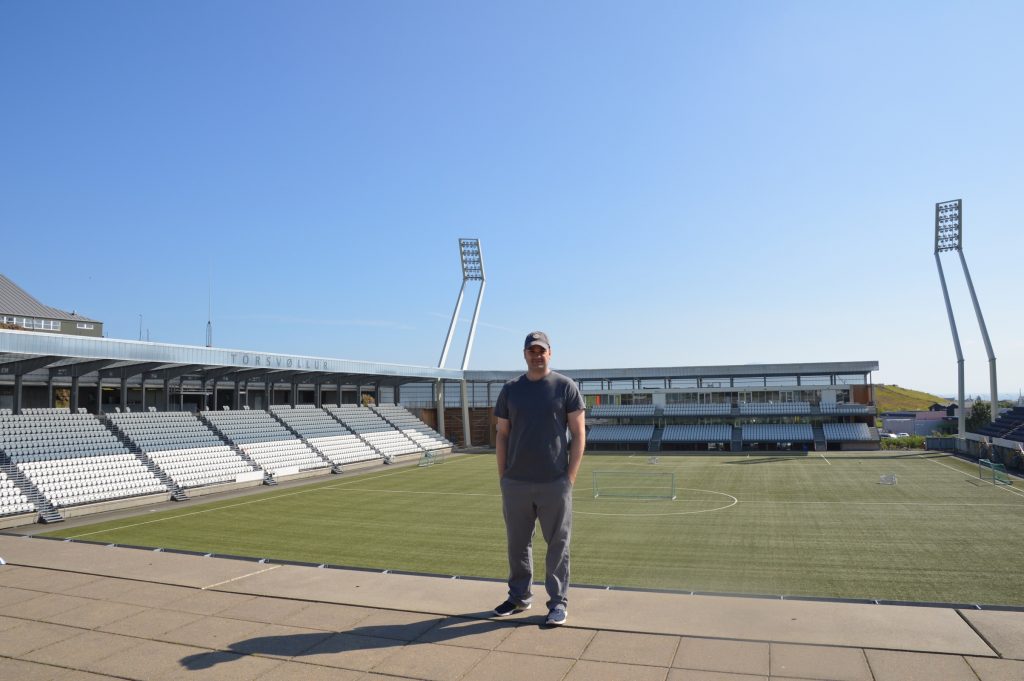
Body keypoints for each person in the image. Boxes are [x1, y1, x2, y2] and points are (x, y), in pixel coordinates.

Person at [491, 331, 586, 626]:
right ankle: (519, 597)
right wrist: (503, 477)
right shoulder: (510, 389)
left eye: (541, 350)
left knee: (557, 544)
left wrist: (569, 477)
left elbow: (579, 433)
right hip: (516, 483)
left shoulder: (565, 387)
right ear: (524, 354)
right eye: (531, 350)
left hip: (554, 482)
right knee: (517, 544)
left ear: (550, 353)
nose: (536, 355)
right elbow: (502, 434)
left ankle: (558, 602)